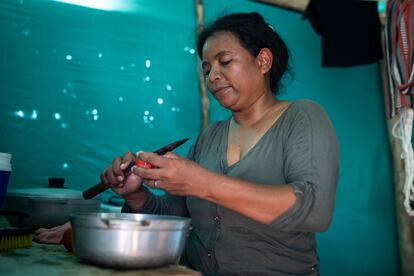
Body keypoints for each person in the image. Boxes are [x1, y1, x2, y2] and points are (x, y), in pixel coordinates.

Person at [34, 12, 339, 275]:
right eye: (207, 69)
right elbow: (179, 216)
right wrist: (137, 195)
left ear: (263, 60)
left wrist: (200, 181)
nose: (213, 76)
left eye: (225, 62)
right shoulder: (210, 136)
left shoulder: (302, 116)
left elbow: (314, 209)